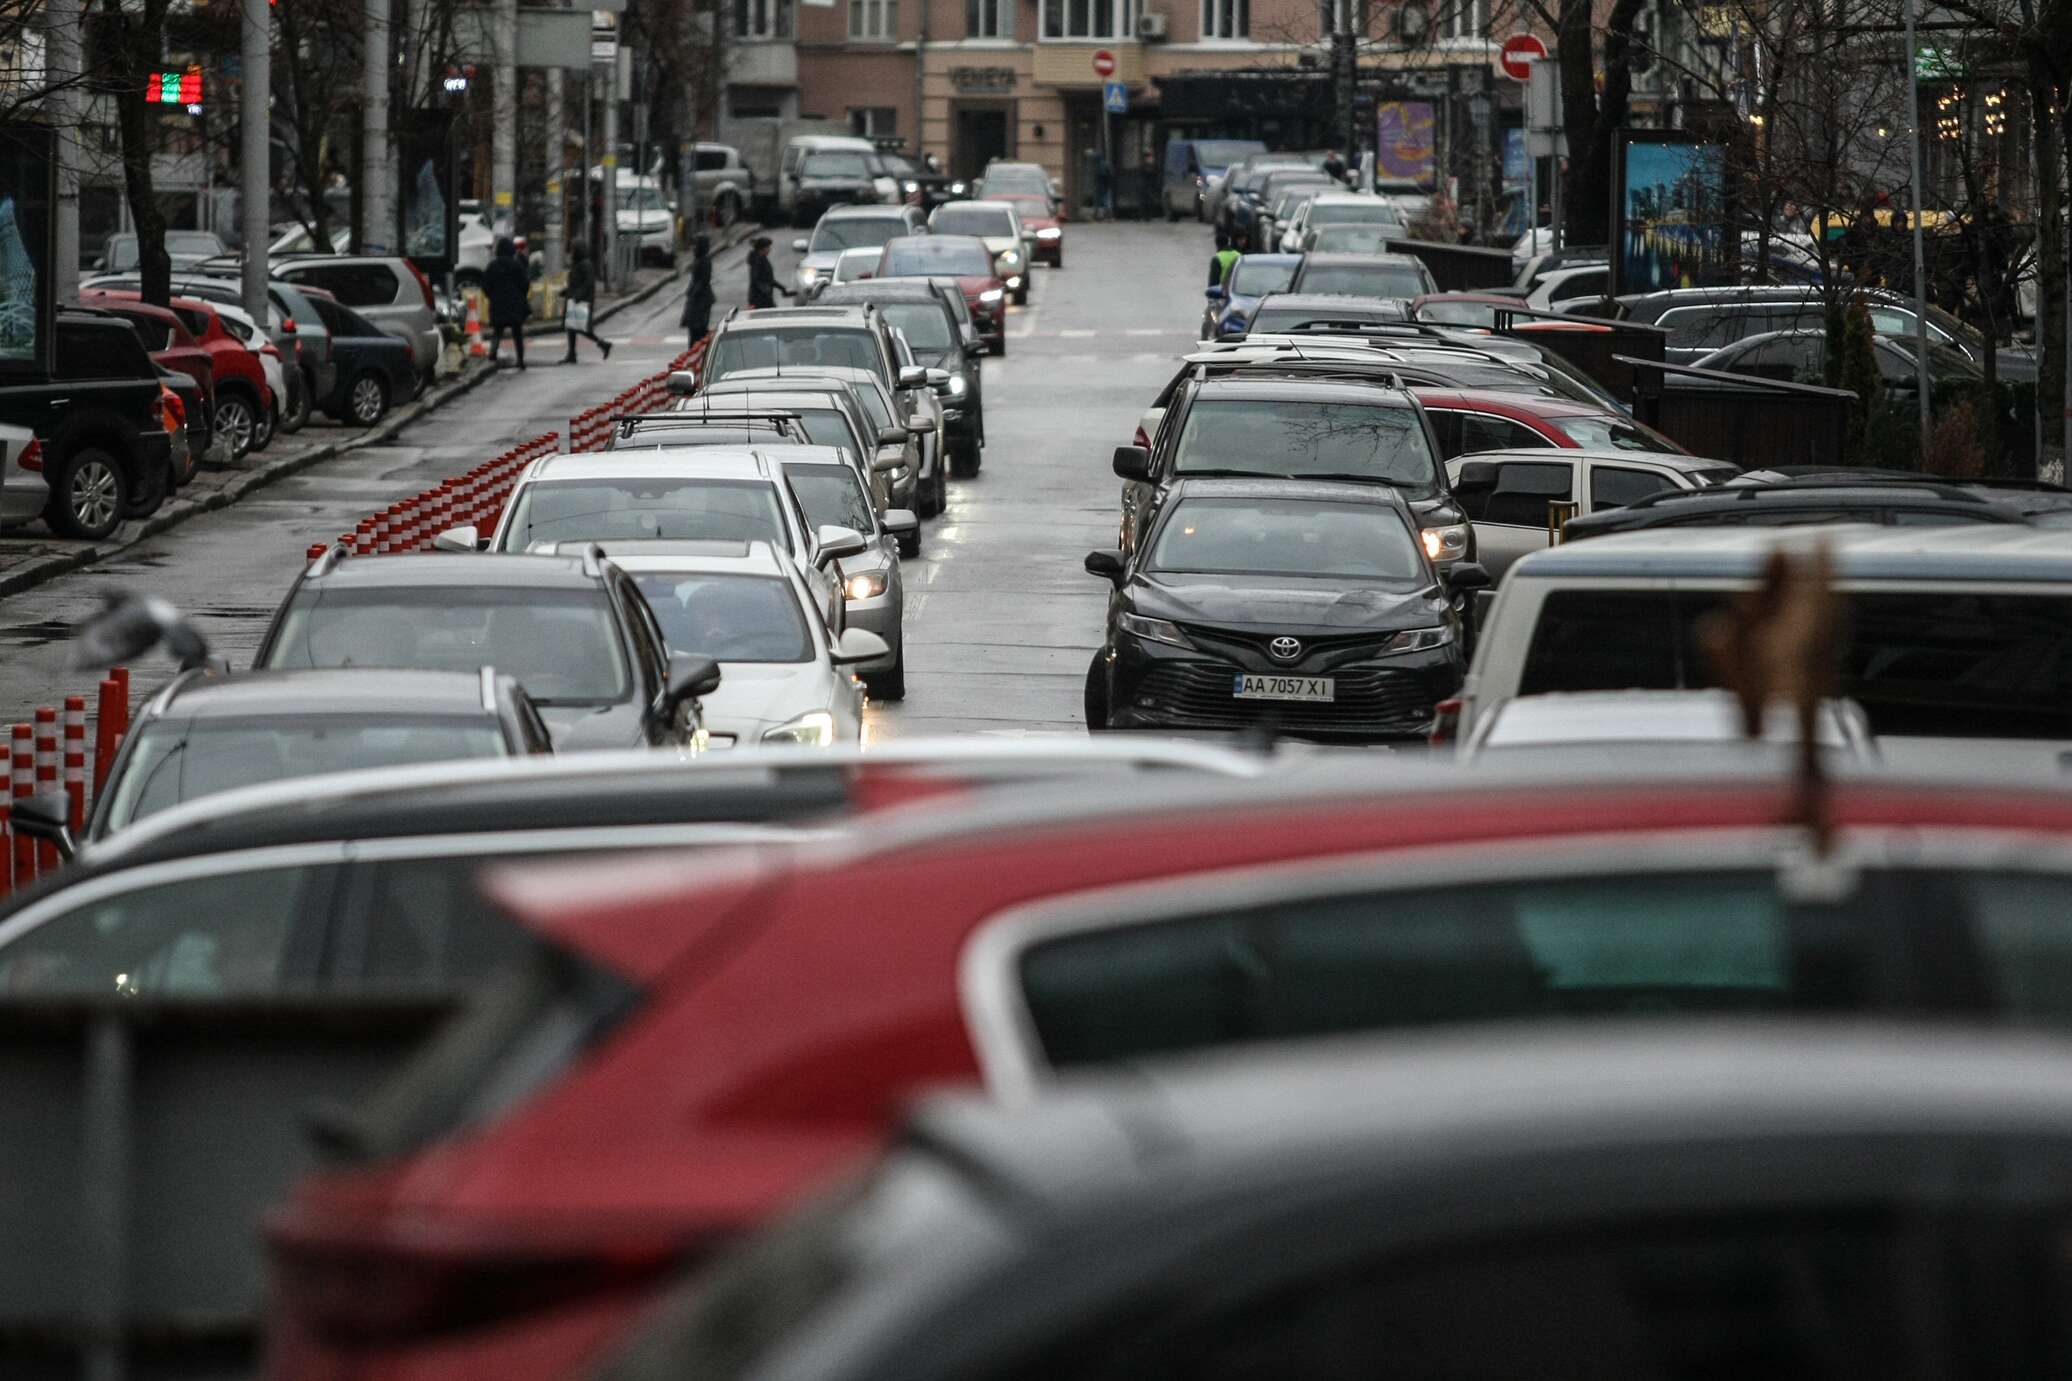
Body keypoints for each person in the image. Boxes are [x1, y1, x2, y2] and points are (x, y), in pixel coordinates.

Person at [559, 242, 613, 364]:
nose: (571, 252)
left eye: (573, 250)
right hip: (575, 299)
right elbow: (576, 283)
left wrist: (577, 296)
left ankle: (602, 344)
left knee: (579, 328)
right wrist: (566, 292)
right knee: (572, 328)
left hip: (581, 301)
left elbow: (588, 283)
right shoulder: (578, 263)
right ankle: (572, 354)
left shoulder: (585, 264)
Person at [482, 235, 530, 369]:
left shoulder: (492, 266)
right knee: (517, 333)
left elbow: (485, 285)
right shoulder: (516, 265)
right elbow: (525, 284)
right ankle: (520, 359)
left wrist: (491, 296)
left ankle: (492, 355)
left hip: (497, 304)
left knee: (497, 331)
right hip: (515, 304)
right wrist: (521, 296)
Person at [681, 234, 716, 350]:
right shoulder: (699, 259)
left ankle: (699, 350)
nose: (693, 248)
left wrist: (694, 294)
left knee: (699, 329)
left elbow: (703, 280)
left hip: (701, 300)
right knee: (695, 330)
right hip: (697, 298)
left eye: (695, 245)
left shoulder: (704, 261)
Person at [747, 235, 791, 309]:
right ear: (762, 249)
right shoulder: (757, 261)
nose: (770, 249)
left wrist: (782, 288)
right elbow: (756, 279)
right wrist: (765, 289)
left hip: (765, 297)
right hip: (759, 298)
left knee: (772, 313)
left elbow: (769, 279)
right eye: (768, 247)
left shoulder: (763, 259)